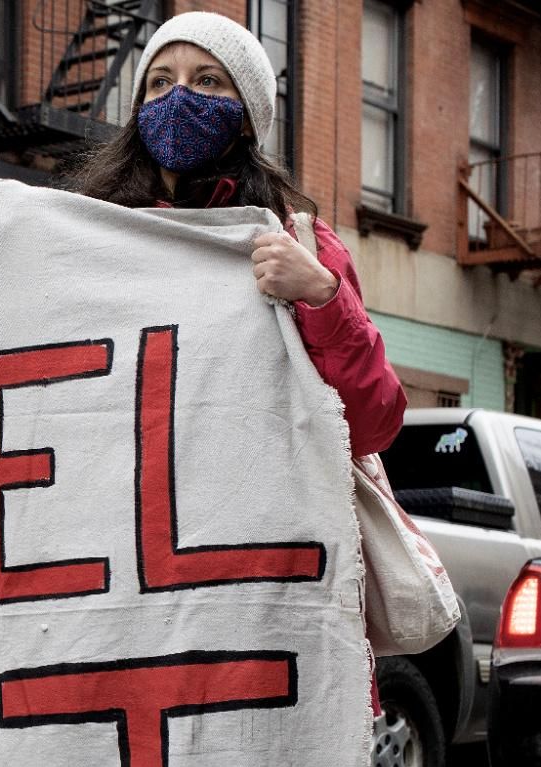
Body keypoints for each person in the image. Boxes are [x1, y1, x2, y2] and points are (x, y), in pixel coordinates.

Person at [70, 11, 405, 459]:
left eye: (208, 81)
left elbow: (368, 428)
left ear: (247, 117)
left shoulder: (300, 243)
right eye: (160, 82)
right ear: (140, 110)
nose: (180, 97)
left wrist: (323, 295)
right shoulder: (89, 231)